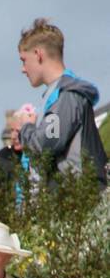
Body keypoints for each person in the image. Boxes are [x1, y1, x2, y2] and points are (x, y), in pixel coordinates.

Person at [13, 19, 107, 186]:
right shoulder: (60, 96)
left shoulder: (66, 97)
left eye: (23, 60)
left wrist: (26, 127)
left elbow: (45, 146)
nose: (22, 69)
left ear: (38, 54)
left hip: (76, 201)